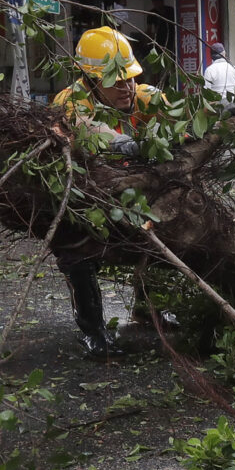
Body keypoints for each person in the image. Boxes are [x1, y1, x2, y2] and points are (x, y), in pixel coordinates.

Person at [50, 26, 162, 356]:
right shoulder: (70, 101)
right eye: (117, 79)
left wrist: (223, 116)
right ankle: (92, 330)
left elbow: (181, 112)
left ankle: (148, 309)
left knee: (158, 232)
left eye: (130, 78)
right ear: (93, 78)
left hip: (130, 195)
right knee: (75, 252)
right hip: (82, 201)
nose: (127, 86)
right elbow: (87, 129)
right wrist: (122, 143)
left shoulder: (141, 96)